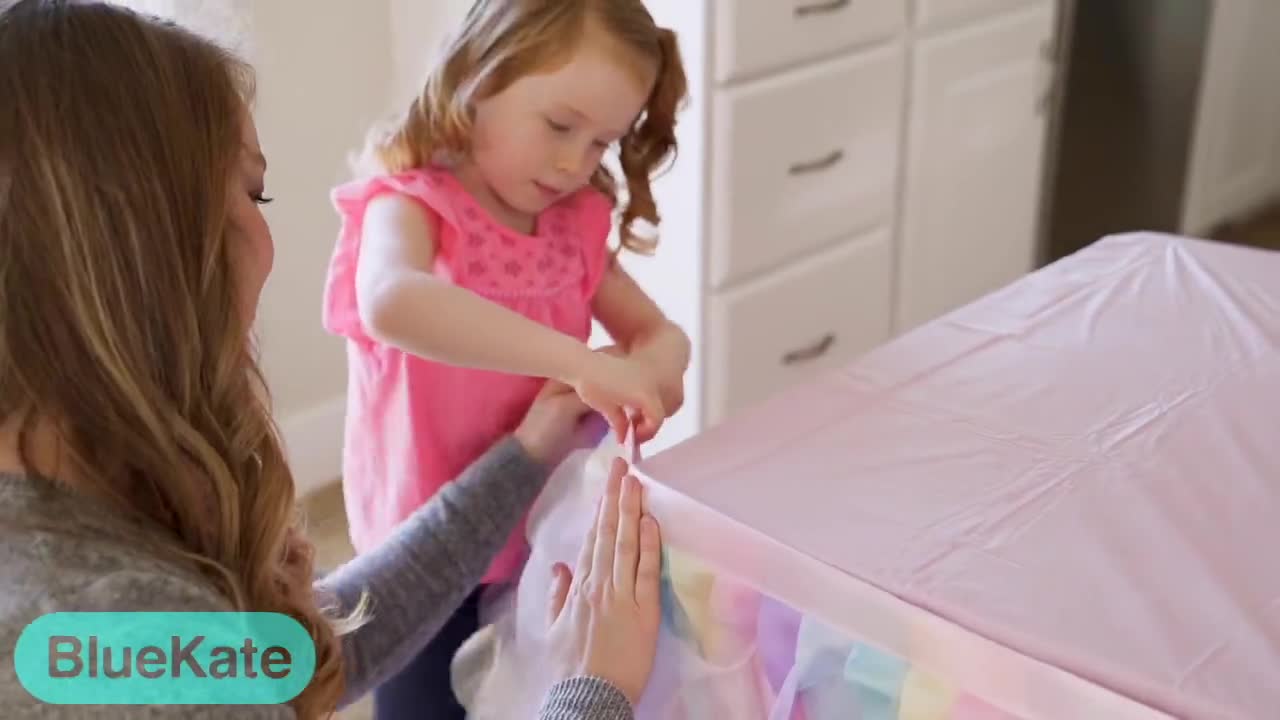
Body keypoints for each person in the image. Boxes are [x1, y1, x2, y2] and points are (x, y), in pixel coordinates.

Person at [0, 2, 660, 718]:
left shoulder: (92, 580)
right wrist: (593, 692)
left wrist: (526, 455)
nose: (269, 240)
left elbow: (295, 660)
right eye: (252, 192)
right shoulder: (111, 638)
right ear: (137, 251)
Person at [319, 2, 690, 717]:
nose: (573, 162)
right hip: (423, 557)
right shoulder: (411, 205)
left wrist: (658, 363)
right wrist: (581, 362)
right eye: (559, 126)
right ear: (476, 78)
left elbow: (660, 332)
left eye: (600, 144)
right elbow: (393, 302)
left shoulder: (572, 224)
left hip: (538, 537)